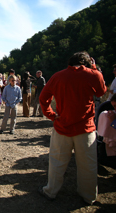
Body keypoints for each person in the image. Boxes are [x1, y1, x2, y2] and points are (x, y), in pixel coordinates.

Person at [38, 51, 107, 205]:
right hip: (86, 129)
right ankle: (88, 196)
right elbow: (102, 91)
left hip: (62, 126)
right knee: (88, 166)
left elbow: (43, 98)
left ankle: (51, 192)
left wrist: (52, 115)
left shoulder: (57, 76)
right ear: (87, 63)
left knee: (56, 162)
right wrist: (94, 67)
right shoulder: (93, 74)